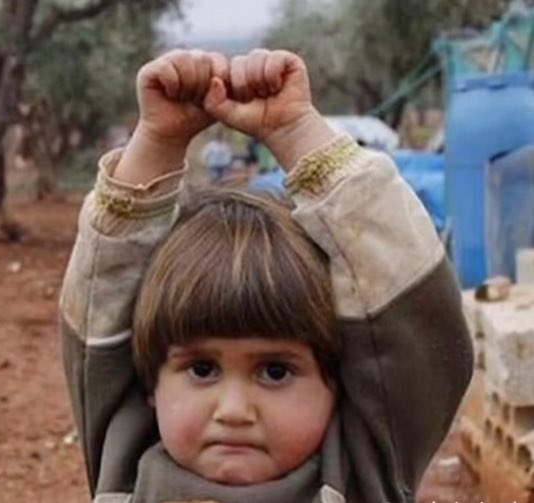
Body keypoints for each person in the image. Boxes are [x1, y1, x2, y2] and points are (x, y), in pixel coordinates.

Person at [59, 48, 473, 503]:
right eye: (201, 368)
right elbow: (103, 306)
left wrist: (295, 131)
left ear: (338, 385)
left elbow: (411, 307)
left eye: (275, 371)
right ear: (150, 386)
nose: (234, 411)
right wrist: (156, 142)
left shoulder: (362, 470)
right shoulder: (128, 471)